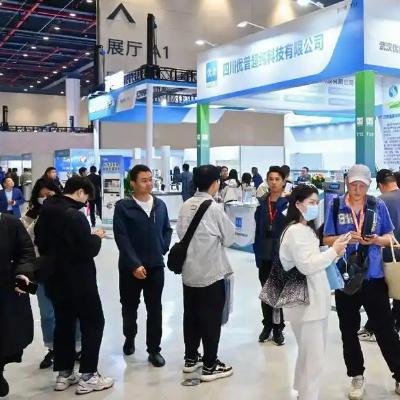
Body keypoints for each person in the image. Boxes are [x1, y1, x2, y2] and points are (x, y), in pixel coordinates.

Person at [324, 164, 400, 400]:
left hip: (373, 276)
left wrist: (375, 240)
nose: (357, 190)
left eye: (362, 185)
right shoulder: (335, 205)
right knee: (348, 330)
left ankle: (399, 374)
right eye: (353, 184)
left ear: (369, 186)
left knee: (385, 329)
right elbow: (326, 238)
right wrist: (344, 238)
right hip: (346, 278)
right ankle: (356, 375)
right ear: (347, 183)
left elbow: (391, 237)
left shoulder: (378, 205)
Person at [35, 176, 113, 394]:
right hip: (79, 279)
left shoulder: (46, 211)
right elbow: (88, 249)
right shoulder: (75, 216)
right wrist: (97, 237)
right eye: (86, 197)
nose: (86, 202)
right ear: (80, 192)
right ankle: (88, 375)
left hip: (54, 278)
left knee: (64, 323)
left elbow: (40, 242)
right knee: (94, 322)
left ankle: (64, 373)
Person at [280, 185, 348, 400]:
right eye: (311, 202)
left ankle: (304, 393)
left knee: (308, 355)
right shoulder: (295, 231)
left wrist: (334, 250)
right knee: (314, 360)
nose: (315, 207)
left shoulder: (305, 229)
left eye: (317, 202)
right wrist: (333, 252)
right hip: (307, 304)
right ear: (298, 204)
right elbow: (307, 265)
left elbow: (313, 260)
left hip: (313, 301)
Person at [177, 165, 235, 382]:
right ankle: (210, 365)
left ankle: (191, 358)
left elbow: (180, 233)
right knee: (211, 319)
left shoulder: (185, 205)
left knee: (191, 316)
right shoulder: (214, 208)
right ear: (215, 183)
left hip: (188, 272)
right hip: (210, 273)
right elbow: (229, 238)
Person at [113, 165, 172, 367]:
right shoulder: (123, 207)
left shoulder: (160, 205)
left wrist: (162, 248)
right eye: (144, 180)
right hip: (130, 268)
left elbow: (167, 230)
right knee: (129, 307)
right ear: (133, 183)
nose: (149, 184)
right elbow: (121, 237)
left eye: (150, 179)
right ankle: (129, 337)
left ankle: (154, 349)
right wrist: (134, 264)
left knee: (155, 308)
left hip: (155, 266)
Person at [21, 179, 81, 370]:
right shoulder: (31, 215)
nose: (46, 198)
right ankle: (52, 347)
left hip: (65, 268)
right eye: (42, 195)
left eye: (50, 195)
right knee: (47, 313)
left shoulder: (67, 212)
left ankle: (77, 346)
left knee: (73, 309)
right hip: (41, 270)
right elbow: (24, 239)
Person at [359, 169, 400, 341]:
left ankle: (375, 327)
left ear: (381, 185)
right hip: (396, 253)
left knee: (380, 293)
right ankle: (393, 327)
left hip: (386, 254)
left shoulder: (379, 202)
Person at [0, 213, 36, 397]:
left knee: (6, 335)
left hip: (6, 290)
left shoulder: (10, 224)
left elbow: (26, 252)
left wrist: (23, 273)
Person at [254, 166, 288, 345]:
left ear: (283, 181)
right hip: (264, 253)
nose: (274, 182)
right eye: (271, 179)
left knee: (277, 292)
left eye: (277, 179)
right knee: (265, 291)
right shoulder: (262, 203)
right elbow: (257, 229)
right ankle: (267, 325)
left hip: (281, 255)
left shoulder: (288, 203)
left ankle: (278, 327)